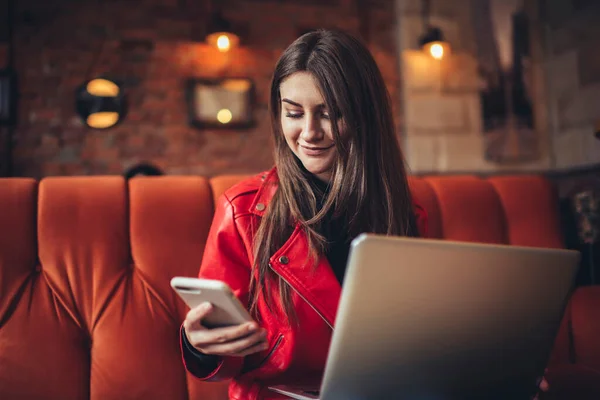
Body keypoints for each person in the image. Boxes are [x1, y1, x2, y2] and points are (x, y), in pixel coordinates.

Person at [180, 29, 548, 399]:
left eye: (330, 114)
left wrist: (497, 367)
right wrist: (200, 345)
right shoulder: (242, 210)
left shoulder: (404, 213)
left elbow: (418, 336)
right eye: (293, 112)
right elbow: (222, 356)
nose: (309, 132)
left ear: (363, 116)